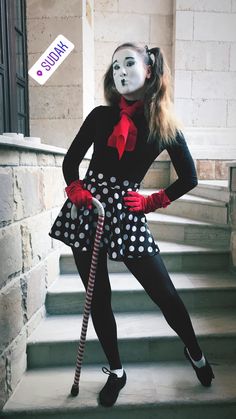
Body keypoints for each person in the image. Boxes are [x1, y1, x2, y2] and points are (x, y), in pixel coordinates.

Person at [49, 42, 215, 407]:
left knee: (166, 294)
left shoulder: (164, 125)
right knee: (98, 298)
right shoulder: (98, 116)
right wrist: (76, 190)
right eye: (115, 67)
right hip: (88, 210)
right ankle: (116, 370)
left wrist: (152, 201)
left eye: (128, 64)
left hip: (127, 212)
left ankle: (195, 352)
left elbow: (189, 177)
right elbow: (71, 161)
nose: (120, 72)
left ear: (150, 71)